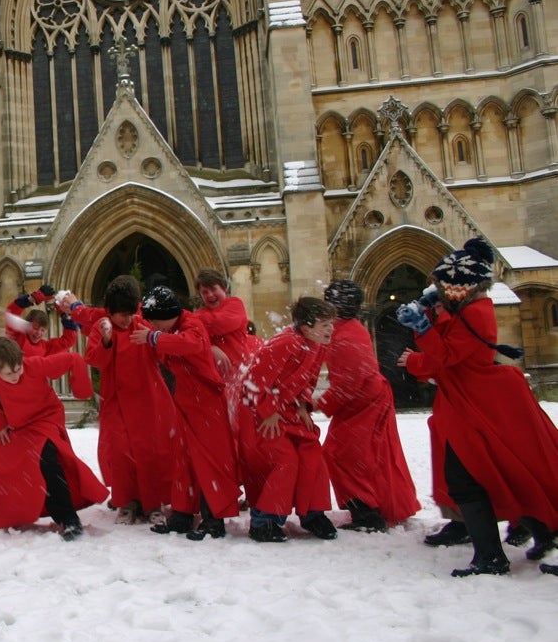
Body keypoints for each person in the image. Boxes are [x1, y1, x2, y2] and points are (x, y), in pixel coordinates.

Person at [397, 237, 558, 576]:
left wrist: (422, 336)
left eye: (443, 286)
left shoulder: (476, 312)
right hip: (469, 401)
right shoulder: (467, 309)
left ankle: (492, 556)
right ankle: (527, 538)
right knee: (501, 472)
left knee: (472, 479)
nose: (439, 292)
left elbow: (446, 357)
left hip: (479, 403)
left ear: (461, 286)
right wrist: (429, 320)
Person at [0, 337, 107, 540]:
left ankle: (68, 519)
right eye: (8, 374)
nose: (16, 376)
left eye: (18, 369)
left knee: (47, 459)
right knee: (1, 461)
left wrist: (82, 390)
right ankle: (1, 514)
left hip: (46, 418)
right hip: (19, 426)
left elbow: (73, 358)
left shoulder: (34, 365)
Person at [137, 286, 240, 540]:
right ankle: (182, 515)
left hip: (206, 403)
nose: (154, 325)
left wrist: (153, 338)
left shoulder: (190, 324)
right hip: (186, 401)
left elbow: (192, 344)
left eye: (157, 321)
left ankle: (213, 520)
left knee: (209, 462)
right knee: (184, 462)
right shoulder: (170, 326)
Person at [318, 281, 419, 532]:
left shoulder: (345, 334)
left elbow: (349, 382)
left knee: (343, 454)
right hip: (366, 400)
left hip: (365, 403)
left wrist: (320, 402)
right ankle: (372, 506)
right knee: (367, 456)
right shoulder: (346, 329)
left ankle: (366, 513)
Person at [236, 296, 339, 543]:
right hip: (260, 416)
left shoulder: (317, 344)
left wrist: (303, 403)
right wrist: (269, 410)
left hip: (287, 411)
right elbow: (252, 382)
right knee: (286, 460)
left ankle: (313, 513)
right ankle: (265, 519)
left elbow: (308, 380)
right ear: (307, 328)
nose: (331, 329)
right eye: (325, 324)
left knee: (312, 453)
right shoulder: (285, 344)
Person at [84, 275, 178, 525]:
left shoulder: (142, 325)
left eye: (128, 313)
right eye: (120, 315)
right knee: (121, 452)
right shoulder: (102, 328)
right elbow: (94, 359)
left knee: (151, 453)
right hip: (116, 399)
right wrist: (106, 341)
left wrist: (153, 338)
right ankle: (127, 502)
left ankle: (153, 503)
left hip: (148, 397)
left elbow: (162, 351)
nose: (125, 319)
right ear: (110, 312)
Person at [192, 269, 260, 381]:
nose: (210, 295)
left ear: (225, 288)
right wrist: (211, 348)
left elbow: (218, 323)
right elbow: (189, 337)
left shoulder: (235, 304)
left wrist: (194, 321)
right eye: (205, 292)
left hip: (240, 377)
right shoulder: (199, 314)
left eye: (213, 289)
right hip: (213, 379)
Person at [4, 284, 81, 359]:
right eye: (35, 328)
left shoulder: (45, 348)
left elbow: (68, 341)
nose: (38, 333)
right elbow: (11, 314)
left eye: (42, 330)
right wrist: (32, 299)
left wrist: (66, 316)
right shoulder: (17, 337)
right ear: (27, 325)